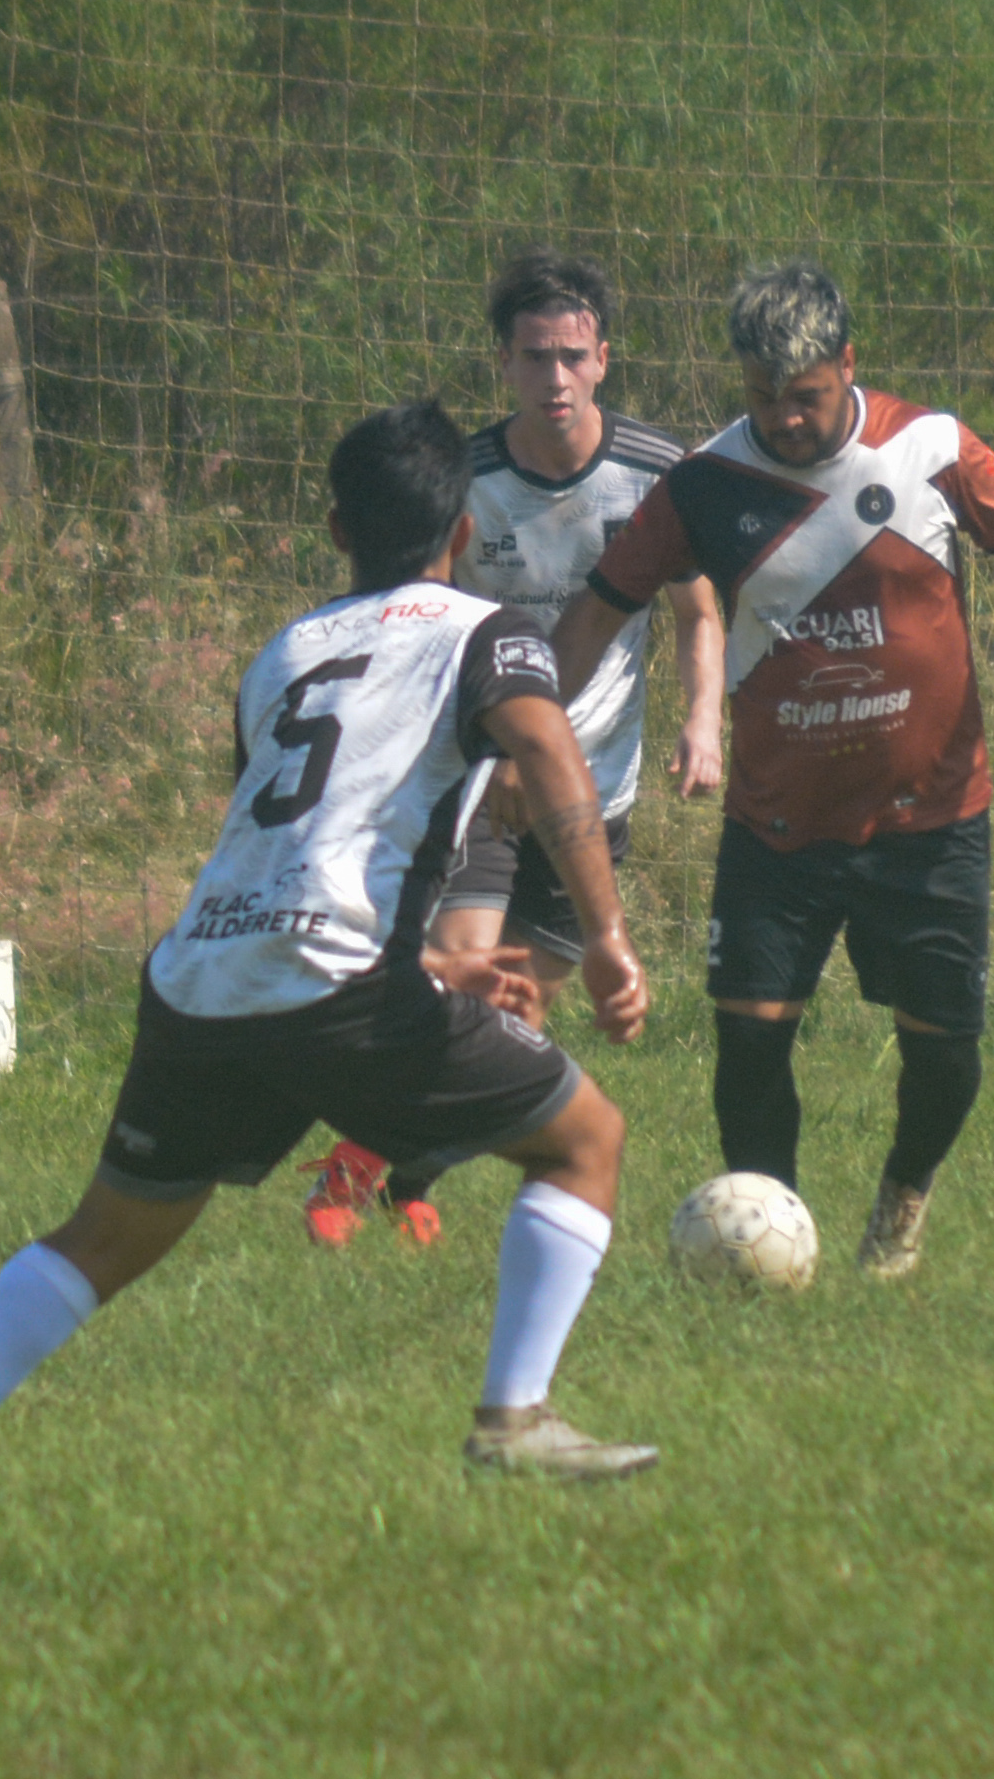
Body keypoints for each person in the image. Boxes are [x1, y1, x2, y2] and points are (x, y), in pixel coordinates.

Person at [0, 402, 659, 1487]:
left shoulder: (282, 651)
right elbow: (545, 742)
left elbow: (287, 852)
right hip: (339, 990)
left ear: (335, 530)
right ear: (464, 530)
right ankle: (512, 1420)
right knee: (584, 1140)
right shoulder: (488, 630)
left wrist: (433, 964)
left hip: (198, 978)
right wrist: (604, 933)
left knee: (102, 1237)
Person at [552, 263, 994, 1278]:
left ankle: (902, 1196)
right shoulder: (702, 485)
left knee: (944, 1055)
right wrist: (520, 729)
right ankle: (772, 1242)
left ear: (847, 363)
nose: (784, 419)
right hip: (776, 827)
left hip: (931, 820)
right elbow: (595, 612)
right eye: (762, 397)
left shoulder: (930, 448)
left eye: (805, 396)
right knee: (747, 1047)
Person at [299, 250, 724, 1248]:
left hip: (594, 788)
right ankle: (348, 1172)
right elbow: (417, 625)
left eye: (572, 356)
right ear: (504, 363)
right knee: (459, 968)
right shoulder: (472, 480)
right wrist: (473, 752)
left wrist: (704, 719)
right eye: (534, 357)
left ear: (604, 358)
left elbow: (699, 613)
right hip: (481, 776)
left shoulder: (657, 473)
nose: (555, 377)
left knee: (512, 1015)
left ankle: (407, 1177)